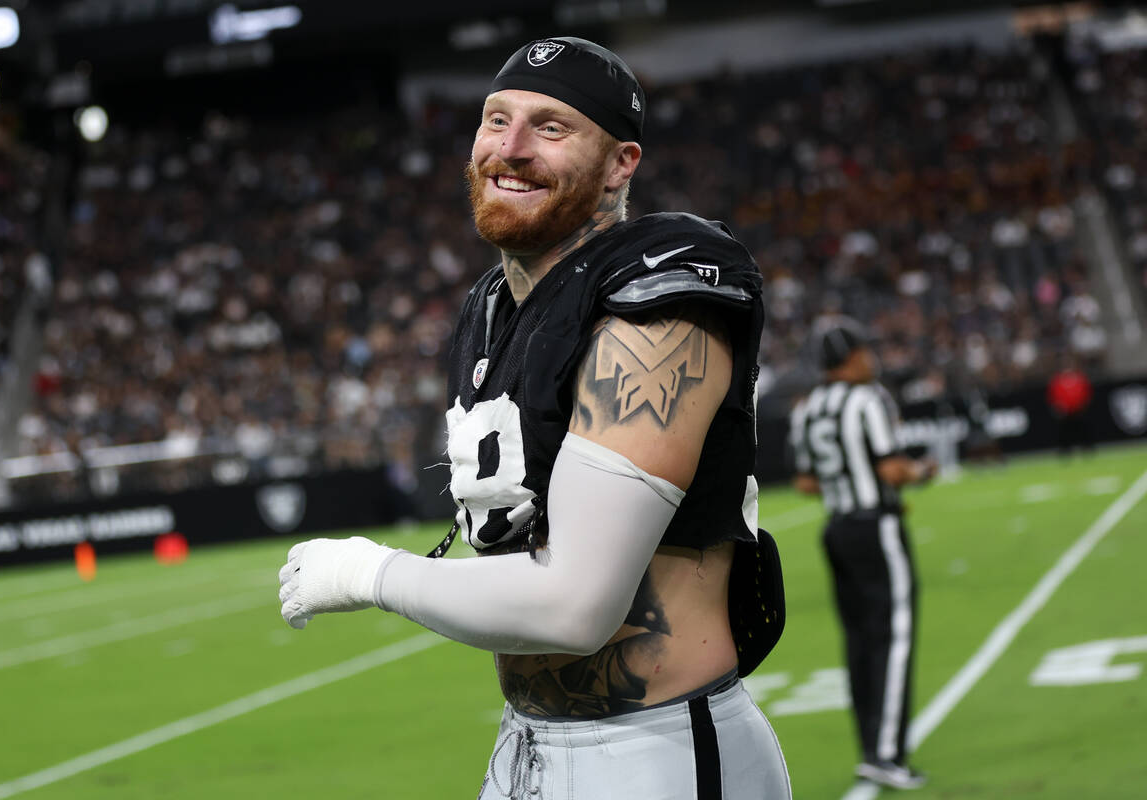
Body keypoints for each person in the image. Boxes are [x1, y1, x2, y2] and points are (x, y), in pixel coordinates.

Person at [278, 36, 790, 799]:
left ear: (622, 163)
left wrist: (368, 572)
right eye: (495, 120)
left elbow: (576, 604)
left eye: (552, 127)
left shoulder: (661, 295)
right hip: (527, 746)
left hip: (657, 752)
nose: (510, 148)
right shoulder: (495, 307)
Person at [788, 317, 935, 791]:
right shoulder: (867, 399)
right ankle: (887, 754)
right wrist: (920, 471)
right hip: (876, 526)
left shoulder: (809, 408)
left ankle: (870, 746)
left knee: (858, 642)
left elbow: (806, 481)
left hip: (837, 529)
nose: (870, 359)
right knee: (893, 638)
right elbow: (891, 469)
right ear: (851, 358)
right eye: (864, 352)